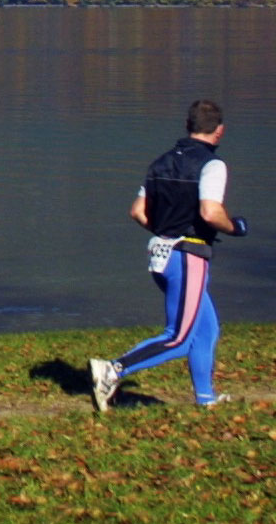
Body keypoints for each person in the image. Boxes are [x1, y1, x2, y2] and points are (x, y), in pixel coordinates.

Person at [90, 99, 250, 412]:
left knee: (207, 329)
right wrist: (235, 228)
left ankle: (207, 399)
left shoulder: (160, 162)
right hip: (188, 254)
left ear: (188, 126)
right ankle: (113, 369)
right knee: (178, 337)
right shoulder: (212, 164)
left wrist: (165, 231)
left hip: (161, 254)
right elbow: (210, 211)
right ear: (219, 131)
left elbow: (137, 211)